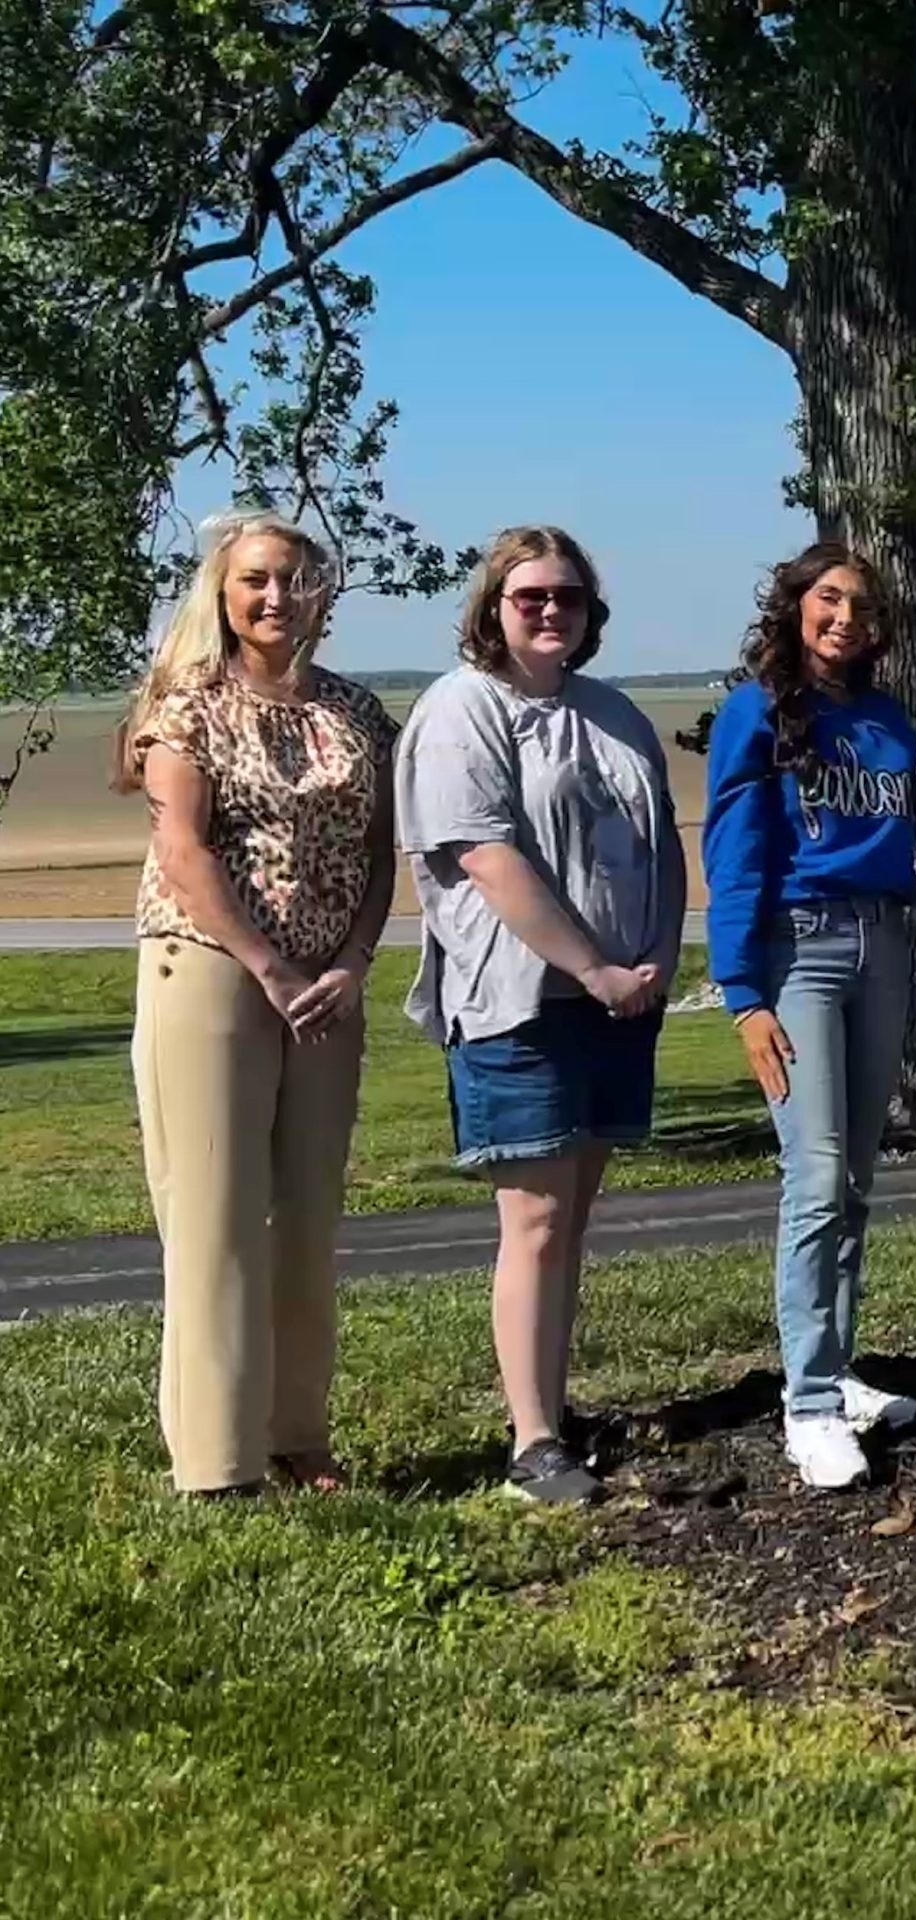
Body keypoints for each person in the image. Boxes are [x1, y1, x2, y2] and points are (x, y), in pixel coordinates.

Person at [395, 526, 687, 1507]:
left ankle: (553, 1414)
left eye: (569, 598)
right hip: (518, 1002)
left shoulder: (613, 714)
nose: (551, 612)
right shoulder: (463, 709)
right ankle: (531, 1447)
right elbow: (486, 857)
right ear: (491, 607)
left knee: (572, 1221)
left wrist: (654, 954)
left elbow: (661, 843)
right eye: (530, 598)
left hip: (618, 999)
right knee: (534, 1220)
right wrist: (594, 967)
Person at [116, 510, 397, 1498]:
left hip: (328, 987)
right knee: (216, 1215)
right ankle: (216, 1461)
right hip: (211, 971)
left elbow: (375, 853)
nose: (276, 596)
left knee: (307, 1217)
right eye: (255, 581)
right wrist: (268, 967)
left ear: (322, 593)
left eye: (295, 578)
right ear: (224, 597)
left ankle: (296, 1436)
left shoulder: (359, 713)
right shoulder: (185, 706)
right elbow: (182, 852)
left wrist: (354, 961)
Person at [703, 541, 916, 1492]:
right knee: (817, 1174)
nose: (845, 619)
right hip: (802, 950)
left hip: (885, 947)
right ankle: (809, 1410)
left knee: (857, 1178)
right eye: (828, 600)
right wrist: (743, 993)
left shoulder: (885, 721)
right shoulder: (759, 712)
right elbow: (735, 853)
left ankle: (832, 1367)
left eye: (864, 608)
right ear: (796, 606)